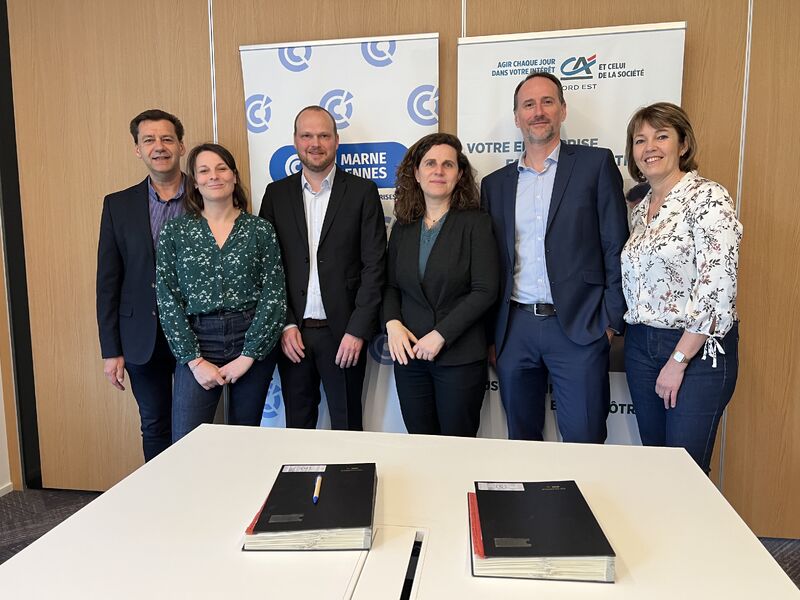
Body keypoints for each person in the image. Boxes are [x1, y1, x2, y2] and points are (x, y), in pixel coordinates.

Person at [481, 72, 629, 443]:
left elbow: (615, 244)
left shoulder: (595, 165)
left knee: (584, 437)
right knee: (522, 440)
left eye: (547, 102)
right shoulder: (494, 185)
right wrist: (492, 335)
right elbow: (491, 264)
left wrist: (610, 322)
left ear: (562, 110)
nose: (538, 112)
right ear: (517, 117)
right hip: (515, 330)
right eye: (528, 105)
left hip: (580, 327)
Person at [621, 102, 742, 473]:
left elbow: (718, 286)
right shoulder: (641, 210)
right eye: (640, 140)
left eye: (661, 136)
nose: (650, 147)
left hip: (697, 350)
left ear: (683, 144)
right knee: (658, 467)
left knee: (685, 472)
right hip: (641, 346)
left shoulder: (708, 197)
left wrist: (678, 360)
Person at [259, 106, 387, 431]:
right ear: (295, 141)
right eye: (307, 135)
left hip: (344, 333)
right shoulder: (276, 195)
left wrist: (357, 330)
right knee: (298, 427)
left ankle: (349, 472)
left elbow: (374, 266)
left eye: (323, 135)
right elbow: (268, 268)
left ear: (336, 141)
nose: (315, 143)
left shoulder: (362, 192)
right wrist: (285, 324)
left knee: (347, 427)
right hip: (293, 335)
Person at [156, 143, 286, 442]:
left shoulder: (259, 230)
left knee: (243, 440)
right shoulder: (175, 232)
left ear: (234, 176)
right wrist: (194, 360)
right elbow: (168, 298)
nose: (213, 176)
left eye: (221, 168)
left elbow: (274, 294)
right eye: (204, 171)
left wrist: (249, 355)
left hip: (250, 337)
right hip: (198, 339)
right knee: (187, 442)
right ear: (195, 181)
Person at [383, 133, 498, 437]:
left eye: (448, 164)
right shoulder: (404, 225)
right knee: (420, 444)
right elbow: (391, 285)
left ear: (459, 174)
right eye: (430, 163)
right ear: (416, 173)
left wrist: (441, 335)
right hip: (409, 357)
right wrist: (392, 323)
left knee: (456, 447)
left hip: (459, 357)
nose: (438, 171)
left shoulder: (476, 223)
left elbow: (485, 290)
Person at [97, 109, 187, 461]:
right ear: (137, 149)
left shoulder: (205, 196)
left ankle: (195, 490)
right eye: (149, 140)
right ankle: (161, 492)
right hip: (140, 337)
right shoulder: (117, 205)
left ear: (181, 145)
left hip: (197, 332)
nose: (159, 147)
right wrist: (111, 350)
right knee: (153, 424)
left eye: (167, 139)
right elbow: (108, 281)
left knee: (194, 426)